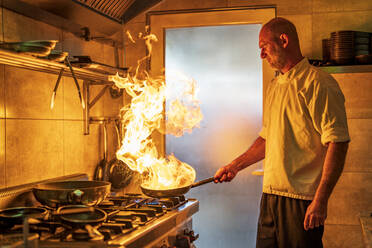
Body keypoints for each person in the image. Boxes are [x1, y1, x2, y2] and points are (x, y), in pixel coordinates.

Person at [214, 17, 350, 248]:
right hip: (270, 195)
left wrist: (320, 200)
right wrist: (235, 166)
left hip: (300, 200)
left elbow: (337, 142)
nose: (262, 55)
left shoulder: (318, 84)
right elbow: (268, 138)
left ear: (283, 40)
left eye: (264, 47)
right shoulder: (275, 87)